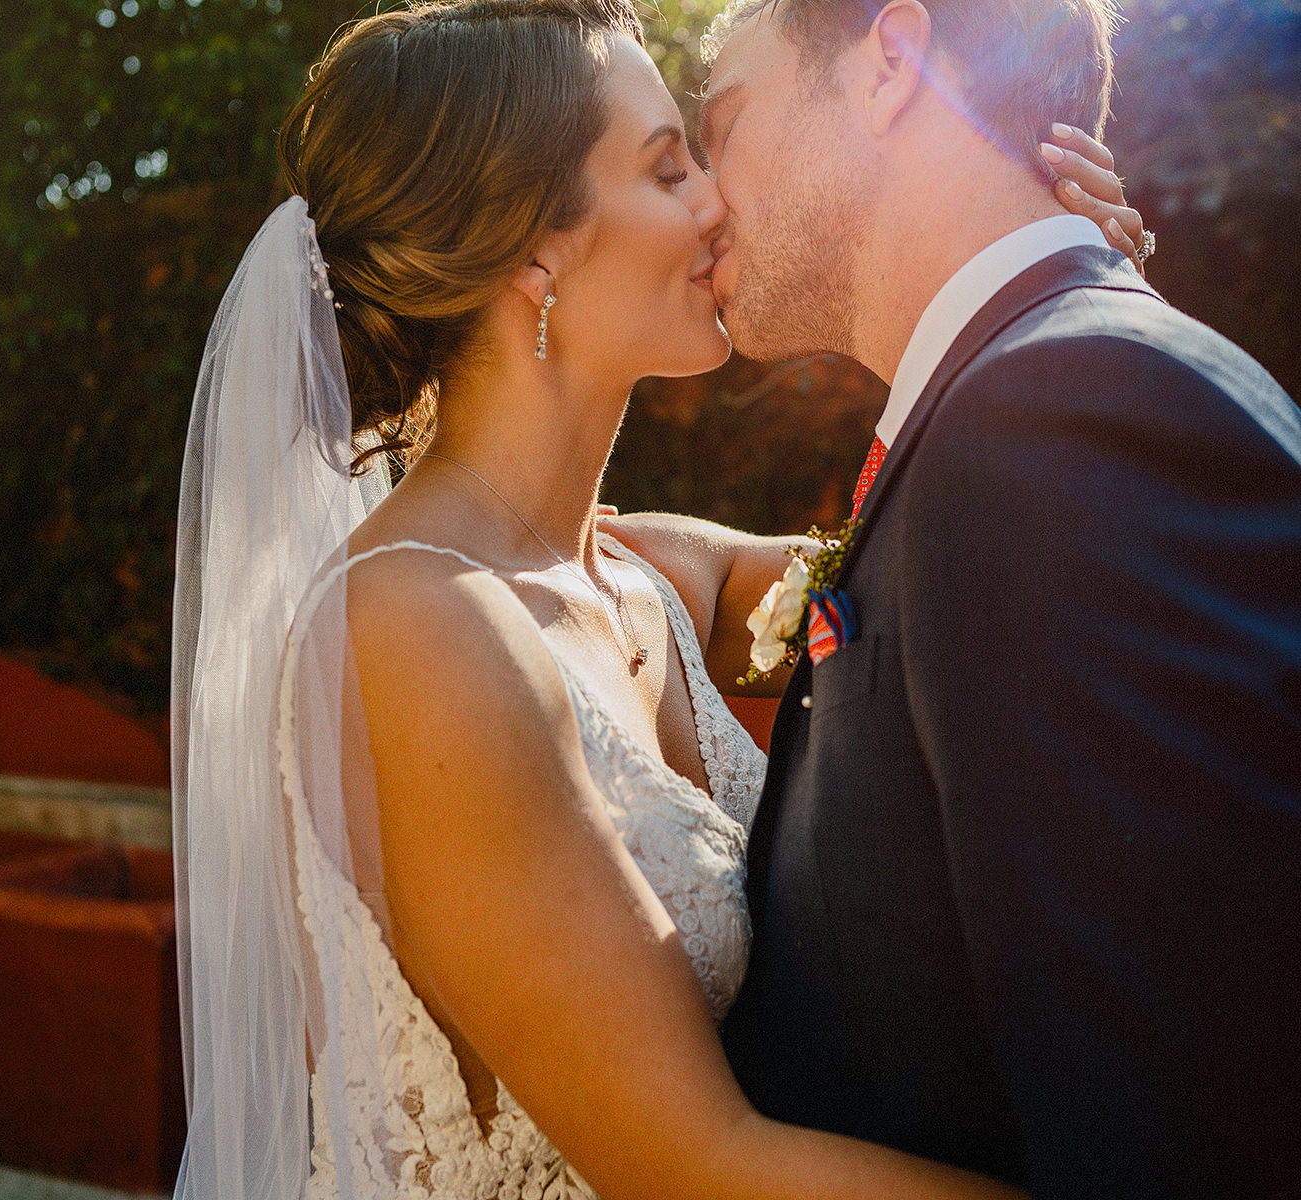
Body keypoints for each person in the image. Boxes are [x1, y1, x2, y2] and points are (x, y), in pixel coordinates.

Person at [170, 2, 1145, 1197]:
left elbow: (964, 563)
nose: (719, 202)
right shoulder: (416, 629)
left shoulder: (650, 574)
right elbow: (690, 1166)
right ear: (532, 250)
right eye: (669, 166)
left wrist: (1060, 303)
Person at [596, 2, 1301, 1198]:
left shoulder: (1061, 420)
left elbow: (1188, 1127)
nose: (704, 200)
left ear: (892, 62)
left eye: (724, 126)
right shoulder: (1026, 406)